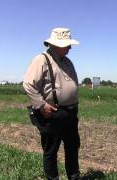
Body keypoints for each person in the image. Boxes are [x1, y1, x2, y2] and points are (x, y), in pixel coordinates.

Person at [23, 27, 80, 180]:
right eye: (67, 44)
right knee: (51, 150)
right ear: (56, 44)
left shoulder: (67, 61)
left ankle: (74, 176)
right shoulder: (41, 59)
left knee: (73, 147)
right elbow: (28, 84)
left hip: (70, 113)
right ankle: (52, 178)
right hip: (52, 113)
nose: (70, 47)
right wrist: (41, 105)